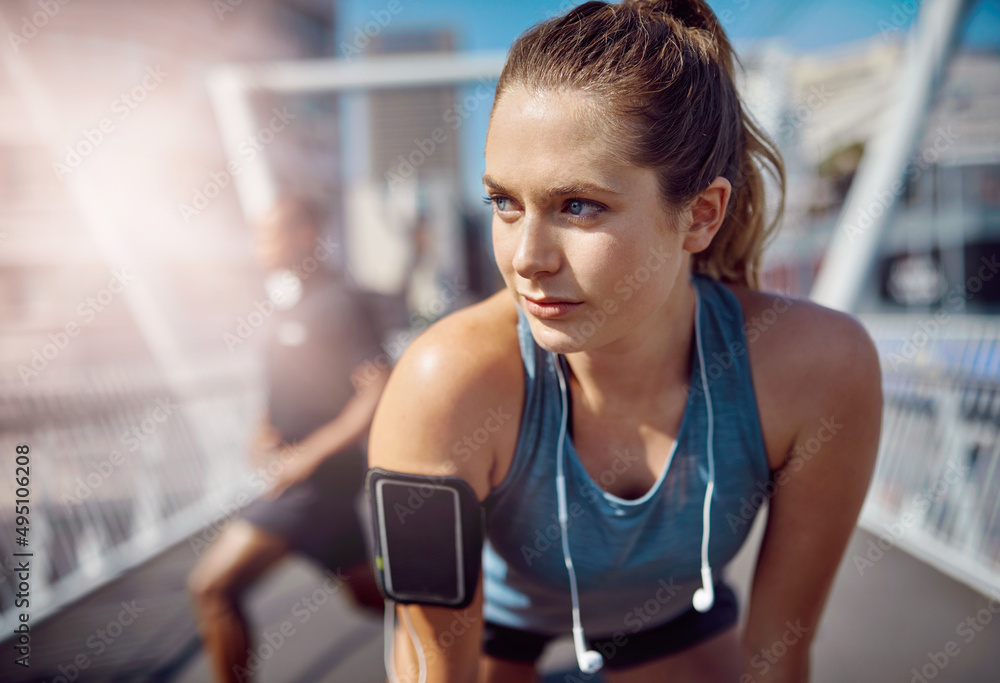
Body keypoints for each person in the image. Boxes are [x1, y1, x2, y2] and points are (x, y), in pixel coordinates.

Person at [369, 1, 883, 681]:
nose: (526, 258)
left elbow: (777, 653)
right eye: (504, 202)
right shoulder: (445, 383)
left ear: (700, 215)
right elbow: (441, 671)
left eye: (577, 205)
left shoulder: (818, 368)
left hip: (667, 614)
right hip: (492, 621)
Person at [187, 197, 389, 683]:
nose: (259, 245)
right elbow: (287, 384)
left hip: (317, 486)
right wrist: (262, 430)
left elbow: (377, 384)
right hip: (307, 487)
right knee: (371, 598)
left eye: (269, 233)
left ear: (303, 234)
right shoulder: (290, 306)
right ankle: (478, 628)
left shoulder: (340, 302)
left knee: (212, 587)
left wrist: (309, 454)